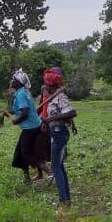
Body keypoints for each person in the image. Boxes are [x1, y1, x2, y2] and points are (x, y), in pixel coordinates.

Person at [41, 67, 77, 206]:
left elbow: (72, 112)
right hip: (55, 131)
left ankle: (64, 199)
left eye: (46, 84)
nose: (44, 87)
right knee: (59, 166)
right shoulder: (53, 97)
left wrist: (50, 119)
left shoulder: (60, 96)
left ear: (50, 84)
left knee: (56, 167)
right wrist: (47, 122)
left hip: (59, 132)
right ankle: (66, 198)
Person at [5, 74, 49, 183]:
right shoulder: (24, 92)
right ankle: (29, 177)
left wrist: (16, 121)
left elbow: (24, 113)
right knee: (22, 151)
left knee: (27, 154)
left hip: (30, 128)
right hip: (36, 125)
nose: (12, 81)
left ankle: (49, 172)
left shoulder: (20, 94)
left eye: (14, 79)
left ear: (18, 82)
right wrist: (10, 112)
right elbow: (22, 109)